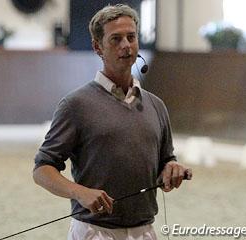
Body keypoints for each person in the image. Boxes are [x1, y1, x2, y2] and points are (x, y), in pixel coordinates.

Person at [33, 4, 192, 240]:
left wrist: (172, 170)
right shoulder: (75, 105)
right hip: (94, 231)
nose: (126, 45)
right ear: (98, 47)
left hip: (145, 230)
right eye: (116, 39)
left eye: (131, 37)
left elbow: (165, 161)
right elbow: (42, 170)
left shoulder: (156, 105)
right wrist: (80, 193)